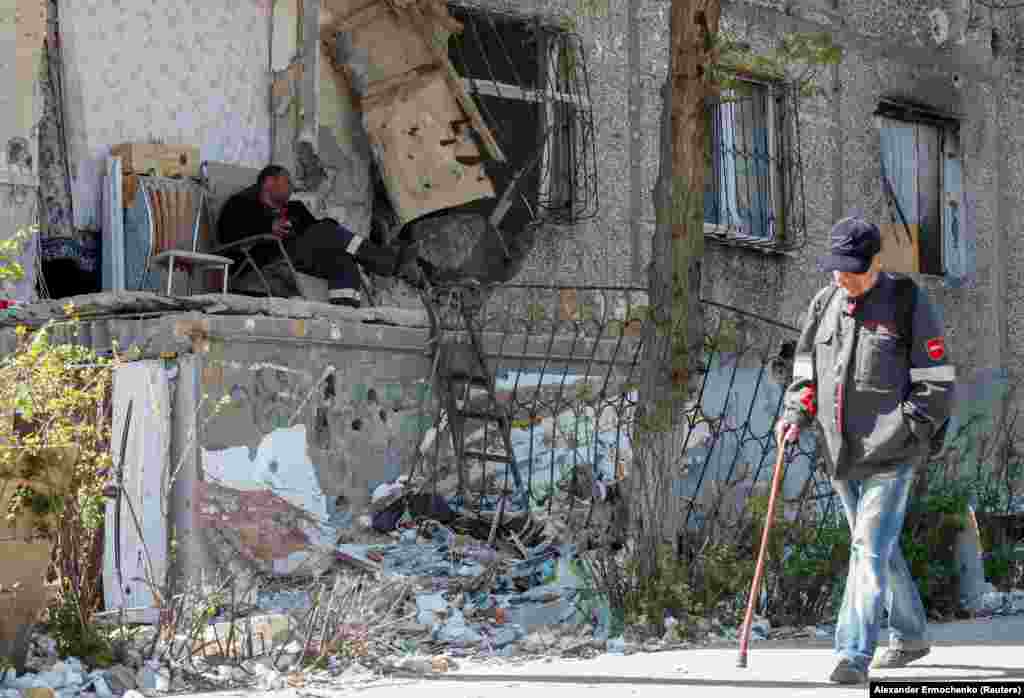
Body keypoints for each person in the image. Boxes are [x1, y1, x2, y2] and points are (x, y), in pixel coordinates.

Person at [776, 217, 956, 685]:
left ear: (877, 261)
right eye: (837, 268)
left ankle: (852, 653)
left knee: (867, 549)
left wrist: (909, 432)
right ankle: (911, 635)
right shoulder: (824, 303)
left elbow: (936, 384)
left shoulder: (906, 301)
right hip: (841, 453)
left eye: (853, 269)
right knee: (876, 548)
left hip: (892, 454)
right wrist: (796, 413)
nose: (843, 277)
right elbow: (805, 371)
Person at [217, 165, 423, 306]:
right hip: (267, 260)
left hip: (301, 256)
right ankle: (387, 261)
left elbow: (317, 229)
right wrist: (267, 226)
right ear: (269, 182)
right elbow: (227, 235)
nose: (292, 187)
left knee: (342, 258)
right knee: (325, 231)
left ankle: (345, 313)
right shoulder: (241, 205)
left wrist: (326, 228)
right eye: (287, 182)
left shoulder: (295, 209)